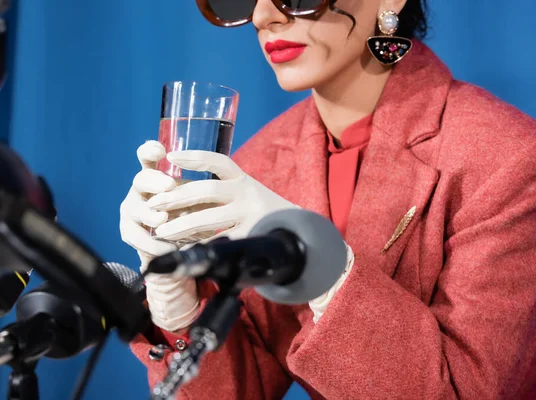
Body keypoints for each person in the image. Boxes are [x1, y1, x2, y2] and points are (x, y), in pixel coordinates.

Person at [119, 0, 536, 398]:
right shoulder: (259, 165)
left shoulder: (506, 157)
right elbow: (242, 389)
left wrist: (325, 271)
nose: (264, 16)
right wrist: (179, 307)